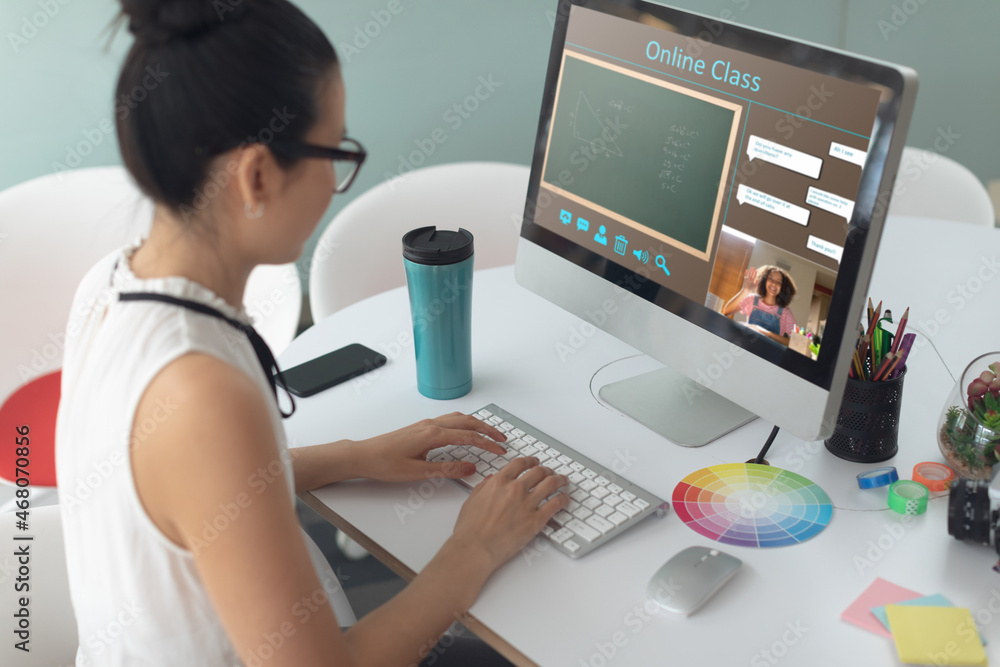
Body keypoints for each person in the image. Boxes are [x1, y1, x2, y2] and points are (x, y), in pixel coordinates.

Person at [54, 1, 570, 665]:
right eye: (335, 152)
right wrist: (475, 547)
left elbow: (192, 489)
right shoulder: (201, 391)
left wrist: (356, 454)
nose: (335, 183)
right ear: (258, 174)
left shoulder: (107, 286)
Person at [721, 265, 797, 345]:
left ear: (783, 287)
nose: (774, 283)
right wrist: (746, 290)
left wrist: (768, 334)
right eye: (770, 278)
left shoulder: (785, 312)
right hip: (746, 347)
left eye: (778, 282)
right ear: (764, 280)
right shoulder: (752, 299)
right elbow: (726, 311)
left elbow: (795, 343)